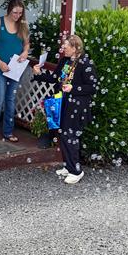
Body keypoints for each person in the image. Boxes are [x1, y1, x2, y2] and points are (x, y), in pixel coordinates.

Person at [33, 34, 97, 184]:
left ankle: (76, 171)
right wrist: (38, 75)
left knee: (70, 136)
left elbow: (92, 87)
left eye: (66, 47)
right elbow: (55, 78)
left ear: (75, 48)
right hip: (62, 102)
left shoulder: (85, 63)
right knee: (62, 134)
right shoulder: (65, 61)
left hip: (76, 106)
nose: (63, 49)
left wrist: (73, 88)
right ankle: (68, 166)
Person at [0, 0, 30, 143]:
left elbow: (27, 44)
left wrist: (25, 53)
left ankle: (8, 132)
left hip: (15, 69)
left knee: (10, 100)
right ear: (9, 9)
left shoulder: (23, 25)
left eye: (20, 13)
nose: (17, 15)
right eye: (14, 12)